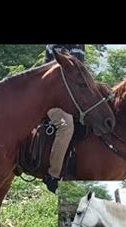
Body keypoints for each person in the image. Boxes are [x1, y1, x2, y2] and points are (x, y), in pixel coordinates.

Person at [42, 45, 84, 194]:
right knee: (66, 126)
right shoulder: (53, 46)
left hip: (73, 99)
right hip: (52, 100)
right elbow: (50, 77)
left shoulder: (80, 46)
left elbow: (80, 75)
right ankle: (52, 175)